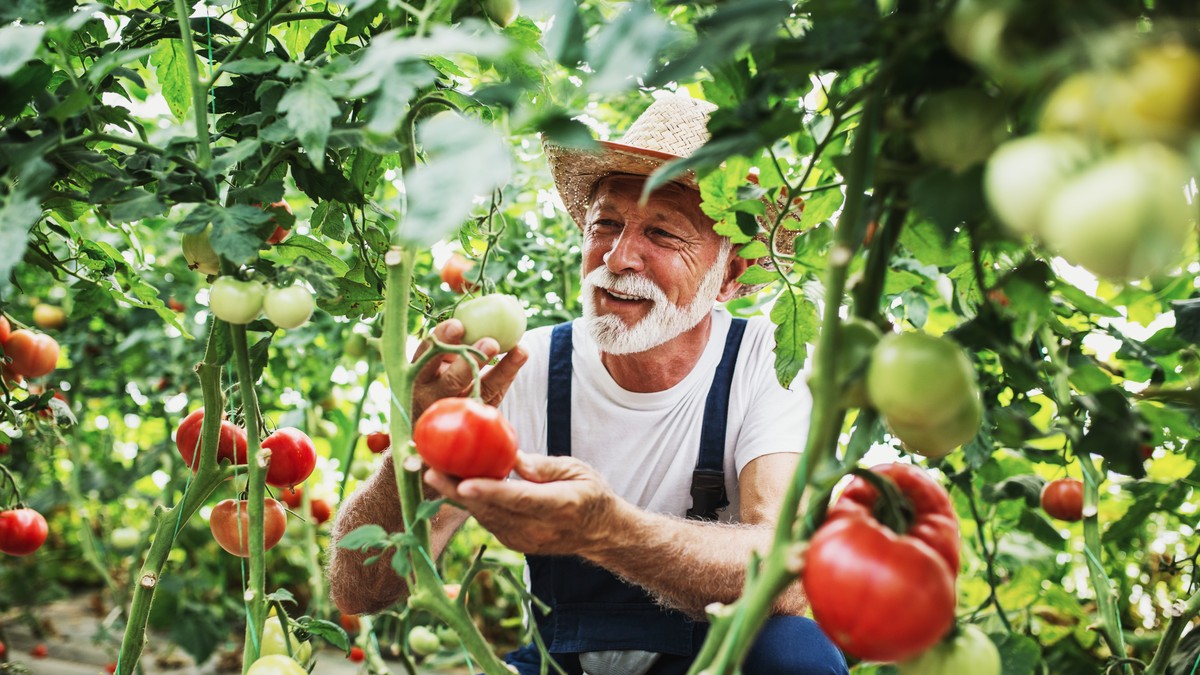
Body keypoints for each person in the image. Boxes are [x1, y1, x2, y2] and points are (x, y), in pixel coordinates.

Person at [328, 94, 849, 675]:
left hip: (715, 661)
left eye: (664, 233)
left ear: (730, 274)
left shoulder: (763, 363)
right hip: (558, 662)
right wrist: (421, 447)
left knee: (794, 657)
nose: (620, 256)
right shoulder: (515, 371)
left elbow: (784, 575)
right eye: (606, 223)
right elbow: (360, 592)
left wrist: (607, 531)